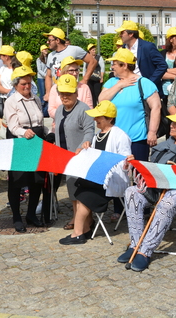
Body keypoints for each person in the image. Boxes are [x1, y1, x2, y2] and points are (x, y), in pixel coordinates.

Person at [119, 106, 176, 272]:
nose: (172, 125)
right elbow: (151, 169)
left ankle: (145, 251)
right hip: (156, 189)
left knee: (169, 201)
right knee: (131, 193)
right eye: (172, 122)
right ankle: (136, 244)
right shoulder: (163, 146)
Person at [59, 100, 131, 245]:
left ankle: (78, 233)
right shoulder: (97, 135)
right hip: (97, 177)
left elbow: (125, 162)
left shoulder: (120, 136)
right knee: (80, 189)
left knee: (86, 195)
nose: (95, 119)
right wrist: (85, 149)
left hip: (110, 180)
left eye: (99, 117)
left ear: (109, 119)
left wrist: (124, 164)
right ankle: (84, 229)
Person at [98, 48, 162, 162]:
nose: (112, 67)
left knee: (138, 177)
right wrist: (120, 85)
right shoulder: (112, 82)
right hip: (113, 138)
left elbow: (156, 107)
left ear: (124, 65)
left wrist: (152, 132)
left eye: (115, 64)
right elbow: (101, 100)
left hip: (136, 140)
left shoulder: (144, 83)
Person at [4, 65, 47, 232]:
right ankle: (16, 216)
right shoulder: (11, 101)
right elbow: (13, 127)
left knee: (37, 179)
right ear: (15, 85)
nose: (27, 86)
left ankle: (31, 214)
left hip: (36, 140)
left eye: (29, 83)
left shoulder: (36, 99)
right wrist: (24, 132)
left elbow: (40, 121)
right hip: (20, 141)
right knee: (16, 180)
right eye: (23, 84)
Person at [53, 74, 96, 232]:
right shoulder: (59, 110)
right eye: (62, 93)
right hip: (64, 157)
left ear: (76, 93)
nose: (65, 97)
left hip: (79, 156)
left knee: (80, 190)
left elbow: (89, 131)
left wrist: (83, 145)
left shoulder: (83, 109)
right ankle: (79, 217)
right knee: (71, 188)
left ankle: (83, 221)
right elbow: (58, 132)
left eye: (68, 93)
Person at [43, 28, 98, 101]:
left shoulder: (74, 50)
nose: (47, 42)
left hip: (71, 91)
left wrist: (85, 79)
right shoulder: (50, 55)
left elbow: (93, 62)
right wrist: (48, 92)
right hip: (56, 92)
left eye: (50, 40)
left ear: (57, 40)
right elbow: (49, 76)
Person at [115, 21, 168, 95]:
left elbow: (162, 65)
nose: (120, 35)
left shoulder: (148, 47)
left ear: (131, 34)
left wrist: (150, 82)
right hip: (128, 87)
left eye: (122, 33)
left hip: (146, 90)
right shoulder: (123, 49)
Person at [47, 56, 93, 124]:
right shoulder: (55, 88)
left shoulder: (84, 88)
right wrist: (66, 116)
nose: (75, 73)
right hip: (59, 126)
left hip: (79, 127)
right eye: (71, 70)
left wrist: (74, 118)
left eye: (76, 70)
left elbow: (89, 110)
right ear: (64, 71)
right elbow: (51, 110)